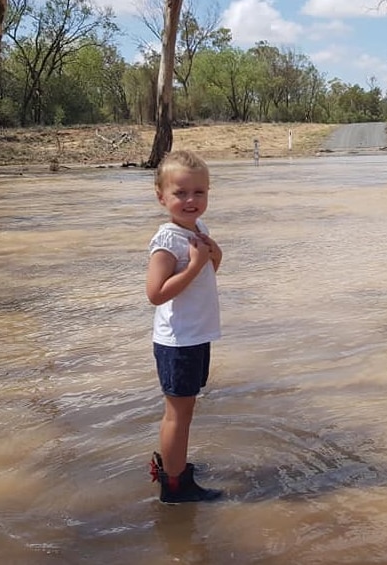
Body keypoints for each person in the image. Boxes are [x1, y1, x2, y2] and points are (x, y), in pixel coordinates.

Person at [145, 150, 223, 504]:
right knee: (178, 415)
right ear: (162, 197)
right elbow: (156, 294)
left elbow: (205, 278)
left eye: (199, 192)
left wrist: (212, 255)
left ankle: (173, 467)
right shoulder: (167, 241)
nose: (191, 201)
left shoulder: (197, 230)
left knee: (184, 411)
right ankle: (174, 486)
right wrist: (193, 266)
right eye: (180, 193)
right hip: (178, 342)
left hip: (195, 335)